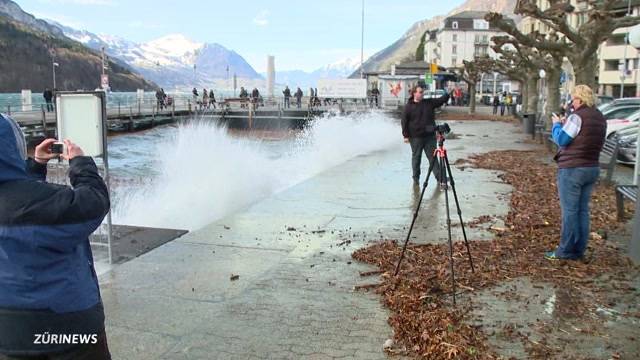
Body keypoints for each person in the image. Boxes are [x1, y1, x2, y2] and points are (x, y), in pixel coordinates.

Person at [0, 114, 111, 359]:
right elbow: (94, 202)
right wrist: (81, 163)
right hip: (68, 329)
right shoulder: (44, 202)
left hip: (8, 333)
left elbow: (15, 199)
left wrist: (36, 166)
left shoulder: (28, 202)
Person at [546, 85, 606, 261]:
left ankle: (565, 251)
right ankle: (578, 249)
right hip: (591, 167)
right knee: (582, 211)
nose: (572, 102)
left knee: (570, 211)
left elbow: (562, 140)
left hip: (573, 169)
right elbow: (585, 137)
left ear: (580, 99)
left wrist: (557, 125)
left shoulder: (577, 117)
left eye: (574, 99)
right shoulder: (600, 117)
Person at [402, 85, 449, 186]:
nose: (422, 94)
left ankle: (440, 178)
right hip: (415, 137)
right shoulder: (408, 107)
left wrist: (447, 93)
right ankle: (416, 179)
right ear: (414, 93)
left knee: (433, 158)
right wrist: (405, 136)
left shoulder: (428, 103)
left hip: (429, 137)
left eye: (422, 92)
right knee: (416, 157)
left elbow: (441, 100)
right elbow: (404, 122)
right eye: (419, 92)